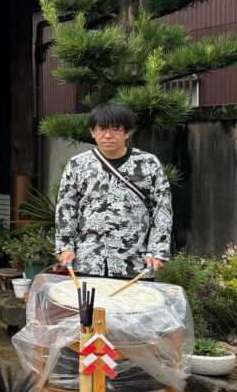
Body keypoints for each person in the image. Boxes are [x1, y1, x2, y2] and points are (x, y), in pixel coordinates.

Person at [55, 102, 173, 279]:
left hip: (135, 262)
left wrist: (157, 251)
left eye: (116, 129)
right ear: (92, 132)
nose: (108, 135)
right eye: (101, 129)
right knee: (90, 299)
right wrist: (65, 247)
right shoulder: (77, 164)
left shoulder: (148, 163)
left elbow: (162, 208)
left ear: (128, 132)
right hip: (87, 261)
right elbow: (66, 208)